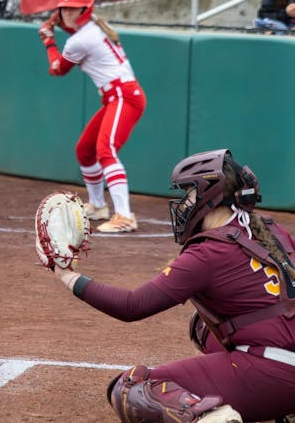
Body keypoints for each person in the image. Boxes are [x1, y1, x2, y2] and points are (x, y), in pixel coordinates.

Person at [48, 149, 295, 422]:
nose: (184, 203)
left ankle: (210, 418)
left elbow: (132, 306)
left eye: (189, 193)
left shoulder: (208, 252)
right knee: (203, 325)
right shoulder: (272, 229)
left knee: (132, 388)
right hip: (284, 359)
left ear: (208, 196)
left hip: (275, 373)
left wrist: (66, 275)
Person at [38, 0, 146, 233]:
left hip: (124, 95)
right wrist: (58, 26)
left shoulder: (81, 39)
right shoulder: (91, 29)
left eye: (73, 10)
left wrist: (48, 40)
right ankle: (98, 205)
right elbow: (72, 40)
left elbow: (57, 68)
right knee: (85, 150)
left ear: (85, 11)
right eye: (64, 9)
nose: (67, 14)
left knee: (105, 150)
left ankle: (124, 216)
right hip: (115, 96)